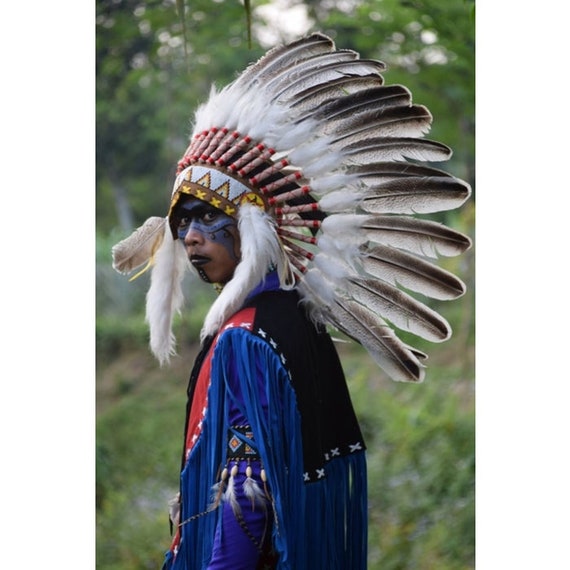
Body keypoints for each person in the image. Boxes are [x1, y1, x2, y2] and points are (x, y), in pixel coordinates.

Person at [112, 32, 471, 570]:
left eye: (210, 217)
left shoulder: (244, 341)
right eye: (182, 221)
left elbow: (247, 496)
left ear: (255, 227)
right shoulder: (292, 320)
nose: (190, 237)